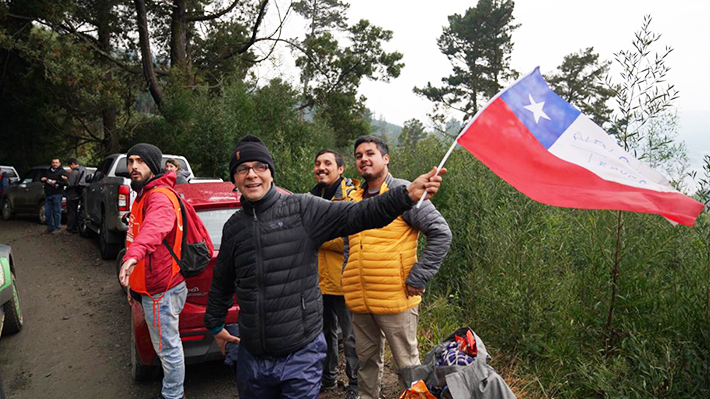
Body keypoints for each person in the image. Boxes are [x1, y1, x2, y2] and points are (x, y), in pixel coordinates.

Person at [204, 135, 446, 399]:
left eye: (259, 167)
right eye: (242, 169)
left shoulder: (302, 208)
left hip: (301, 351)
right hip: (253, 356)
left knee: (399, 362)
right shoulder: (234, 227)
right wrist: (215, 325)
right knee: (365, 359)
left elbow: (360, 214)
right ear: (234, 179)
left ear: (271, 173)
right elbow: (223, 281)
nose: (251, 175)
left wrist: (406, 195)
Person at [342, 136, 452, 399]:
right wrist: (348, 272)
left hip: (396, 297)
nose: (363, 159)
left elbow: (441, 233)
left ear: (386, 158)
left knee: (408, 366)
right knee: (365, 363)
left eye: (370, 153)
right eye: (358, 156)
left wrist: (418, 276)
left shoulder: (404, 193)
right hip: (361, 298)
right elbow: (349, 241)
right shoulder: (354, 198)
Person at [118, 143, 187, 399]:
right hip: (150, 284)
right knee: (166, 345)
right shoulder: (143, 192)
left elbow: (153, 230)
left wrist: (132, 257)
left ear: (153, 165)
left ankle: (173, 395)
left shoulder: (158, 196)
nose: (134, 166)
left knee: (167, 348)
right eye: (131, 161)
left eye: (141, 161)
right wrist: (132, 286)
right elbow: (135, 232)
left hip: (161, 289)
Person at [309, 149, 359, 397]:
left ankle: (355, 384)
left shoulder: (351, 199)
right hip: (317, 282)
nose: (321, 167)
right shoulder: (310, 197)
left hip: (344, 280)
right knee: (323, 333)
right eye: (318, 163)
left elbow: (351, 239)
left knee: (351, 336)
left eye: (327, 163)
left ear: (340, 169)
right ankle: (328, 378)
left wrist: (317, 236)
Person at [40, 158, 68, 234]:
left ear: (59, 163)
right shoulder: (48, 171)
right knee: (47, 212)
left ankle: (57, 228)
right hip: (48, 194)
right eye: (53, 162)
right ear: (51, 163)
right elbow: (42, 178)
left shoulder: (62, 171)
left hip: (57, 194)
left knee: (57, 211)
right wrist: (43, 179)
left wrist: (56, 181)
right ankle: (50, 227)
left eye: (56, 162)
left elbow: (66, 182)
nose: (55, 164)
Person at [65, 158, 87, 233]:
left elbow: (70, 183)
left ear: (73, 164)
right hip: (79, 194)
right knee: (76, 211)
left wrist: (66, 178)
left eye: (70, 166)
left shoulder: (74, 172)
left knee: (71, 212)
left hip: (72, 194)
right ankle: (76, 226)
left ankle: (70, 227)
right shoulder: (83, 170)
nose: (70, 167)